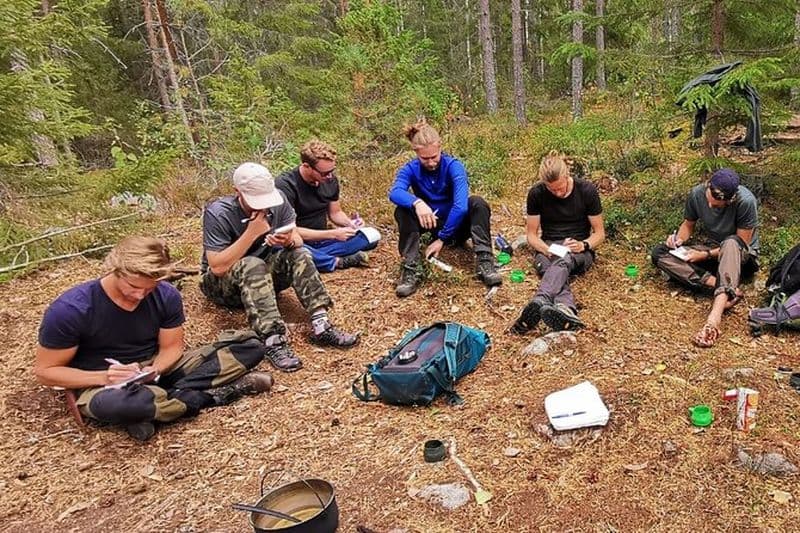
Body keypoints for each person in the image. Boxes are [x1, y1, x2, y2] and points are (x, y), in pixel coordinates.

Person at [34, 236, 273, 442]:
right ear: (115, 270)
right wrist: (103, 377)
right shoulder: (71, 309)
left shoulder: (165, 294)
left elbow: (172, 347)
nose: (140, 294)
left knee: (248, 346)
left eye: (149, 288)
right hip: (103, 383)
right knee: (122, 405)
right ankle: (216, 395)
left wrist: (153, 370)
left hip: (154, 367)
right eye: (133, 286)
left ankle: (157, 403)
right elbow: (46, 372)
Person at [200, 162, 358, 373]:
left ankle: (321, 325)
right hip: (223, 284)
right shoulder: (219, 212)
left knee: (300, 254)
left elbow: (297, 240)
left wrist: (287, 241)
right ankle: (273, 339)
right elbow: (217, 267)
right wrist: (251, 232)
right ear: (238, 192)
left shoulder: (278, 201)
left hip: (264, 276)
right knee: (252, 264)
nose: (262, 206)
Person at [388, 119, 502, 297]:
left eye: (434, 156)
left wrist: (442, 239)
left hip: (456, 227)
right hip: (430, 223)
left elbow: (460, 206)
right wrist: (417, 203)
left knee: (477, 203)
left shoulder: (453, 166)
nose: (431, 162)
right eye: (425, 158)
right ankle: (411, 267)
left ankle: (485, 260)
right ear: (416, 153)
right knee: (402, 210)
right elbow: (395, 192)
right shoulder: (410, 169)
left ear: (440, 148)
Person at [650, 168, 759, 347]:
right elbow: (688, 225)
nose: (710, 206)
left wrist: (705, 255)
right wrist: (678, 240)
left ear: (729, 200)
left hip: (741, 257)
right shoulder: (697, 193)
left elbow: (742, 244)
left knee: (731, 242)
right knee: (659, 253)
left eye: (716, 206)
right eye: (709, 201)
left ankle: (714, 319)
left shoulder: (746, 201)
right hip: (710, 250)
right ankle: (726, 289)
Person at [510, 151, 606, 333]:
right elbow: (531, 235)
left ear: (567, 175)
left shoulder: (586, 191)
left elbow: (599, 233)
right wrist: (546, 249)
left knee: (563, 261)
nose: (558, 193)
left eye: (561, 188)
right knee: (551, 268)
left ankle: (541, 299)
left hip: (579, 249)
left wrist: (584, 245)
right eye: (552, 190)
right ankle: (566, 310)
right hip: (549, 245)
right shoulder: (536, 194)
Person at [275, 140, 380, 272]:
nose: (329, 176)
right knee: (282, 246)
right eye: (324, 173)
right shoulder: (286, 185)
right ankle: (335, 261)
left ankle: (318, 257)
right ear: (307, 166)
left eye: (332, 171)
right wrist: (333, 234)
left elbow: (335, 213)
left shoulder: (330, 180)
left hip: (324, 239)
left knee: (371, 237)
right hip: (299, 240)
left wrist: (350, 224)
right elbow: (289, 231)